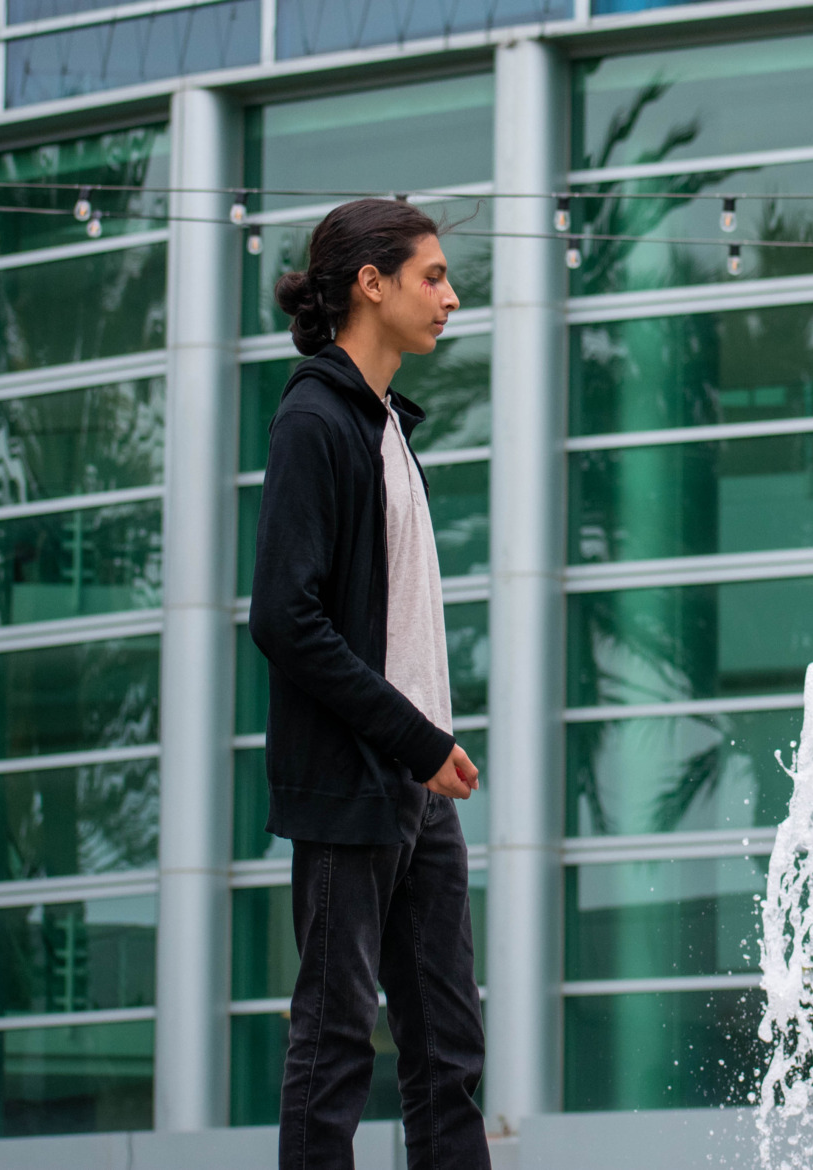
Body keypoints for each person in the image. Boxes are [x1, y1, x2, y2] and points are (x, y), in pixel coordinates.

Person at [249, 198, 489, 1170]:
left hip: (417, 791)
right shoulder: (314, 420)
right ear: (371, 283)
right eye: (432, 276)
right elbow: (284, 617)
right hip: (357, 783)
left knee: (448, 1054)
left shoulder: (384, 424)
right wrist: (417, 740)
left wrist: (424, 751)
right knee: (336, 1042)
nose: (450, 296)